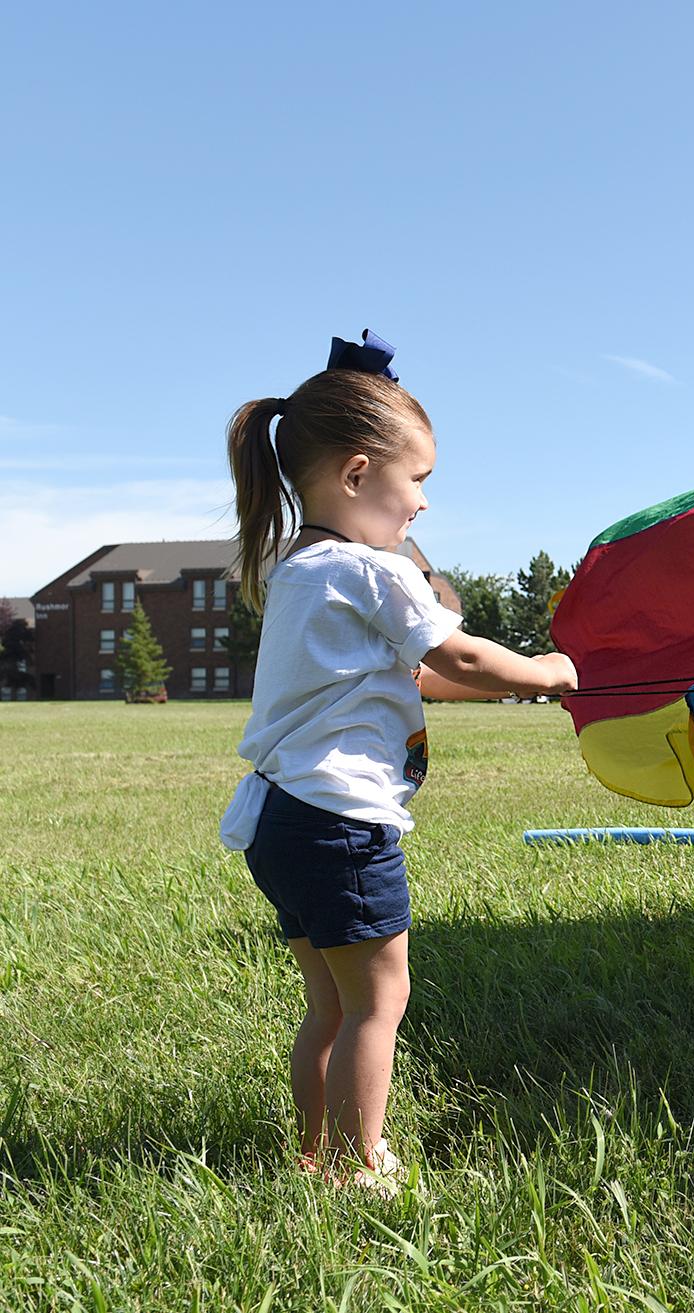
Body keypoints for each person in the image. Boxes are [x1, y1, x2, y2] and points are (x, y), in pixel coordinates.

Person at [217, 333, 578, 1194]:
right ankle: (359, 1166)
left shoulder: (301, 569)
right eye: (416, 482)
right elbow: (458, 658)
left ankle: (314, 1154)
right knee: (380, 1002)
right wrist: (548, 671)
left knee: (331, 1005)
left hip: (282, 817)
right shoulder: (366, 569)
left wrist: (511, 687)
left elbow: (413, 677)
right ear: (356, 473)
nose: (421, 505)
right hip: (341, 820)